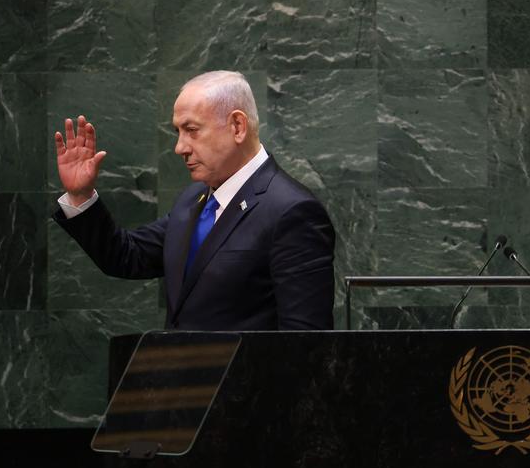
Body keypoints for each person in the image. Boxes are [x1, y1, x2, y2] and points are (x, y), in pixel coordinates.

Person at [52, 71, 335, 330]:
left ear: (237, 126)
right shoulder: (193, 199)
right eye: (178, 132)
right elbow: (127, 256)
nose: (179, 148)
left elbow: (305, 343)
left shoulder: (292, 211)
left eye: (192, 130)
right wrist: (81, 195)